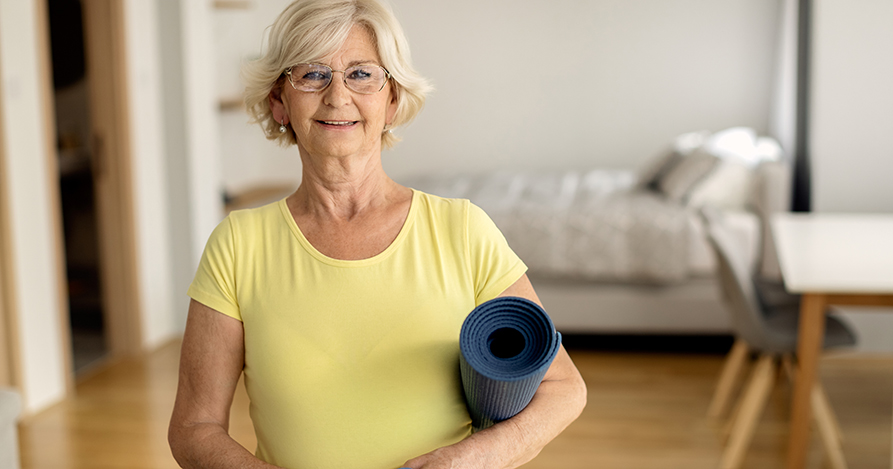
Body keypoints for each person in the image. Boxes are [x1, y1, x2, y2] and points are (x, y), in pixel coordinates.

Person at [168, 0, 586, 468]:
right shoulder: (237, 246)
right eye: (312, 73)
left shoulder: (462, 230)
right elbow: (193, 426)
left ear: (392, 101)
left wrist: (470, 459)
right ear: (279, 101)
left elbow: (563, 387)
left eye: (362, 74)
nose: (337, 96)